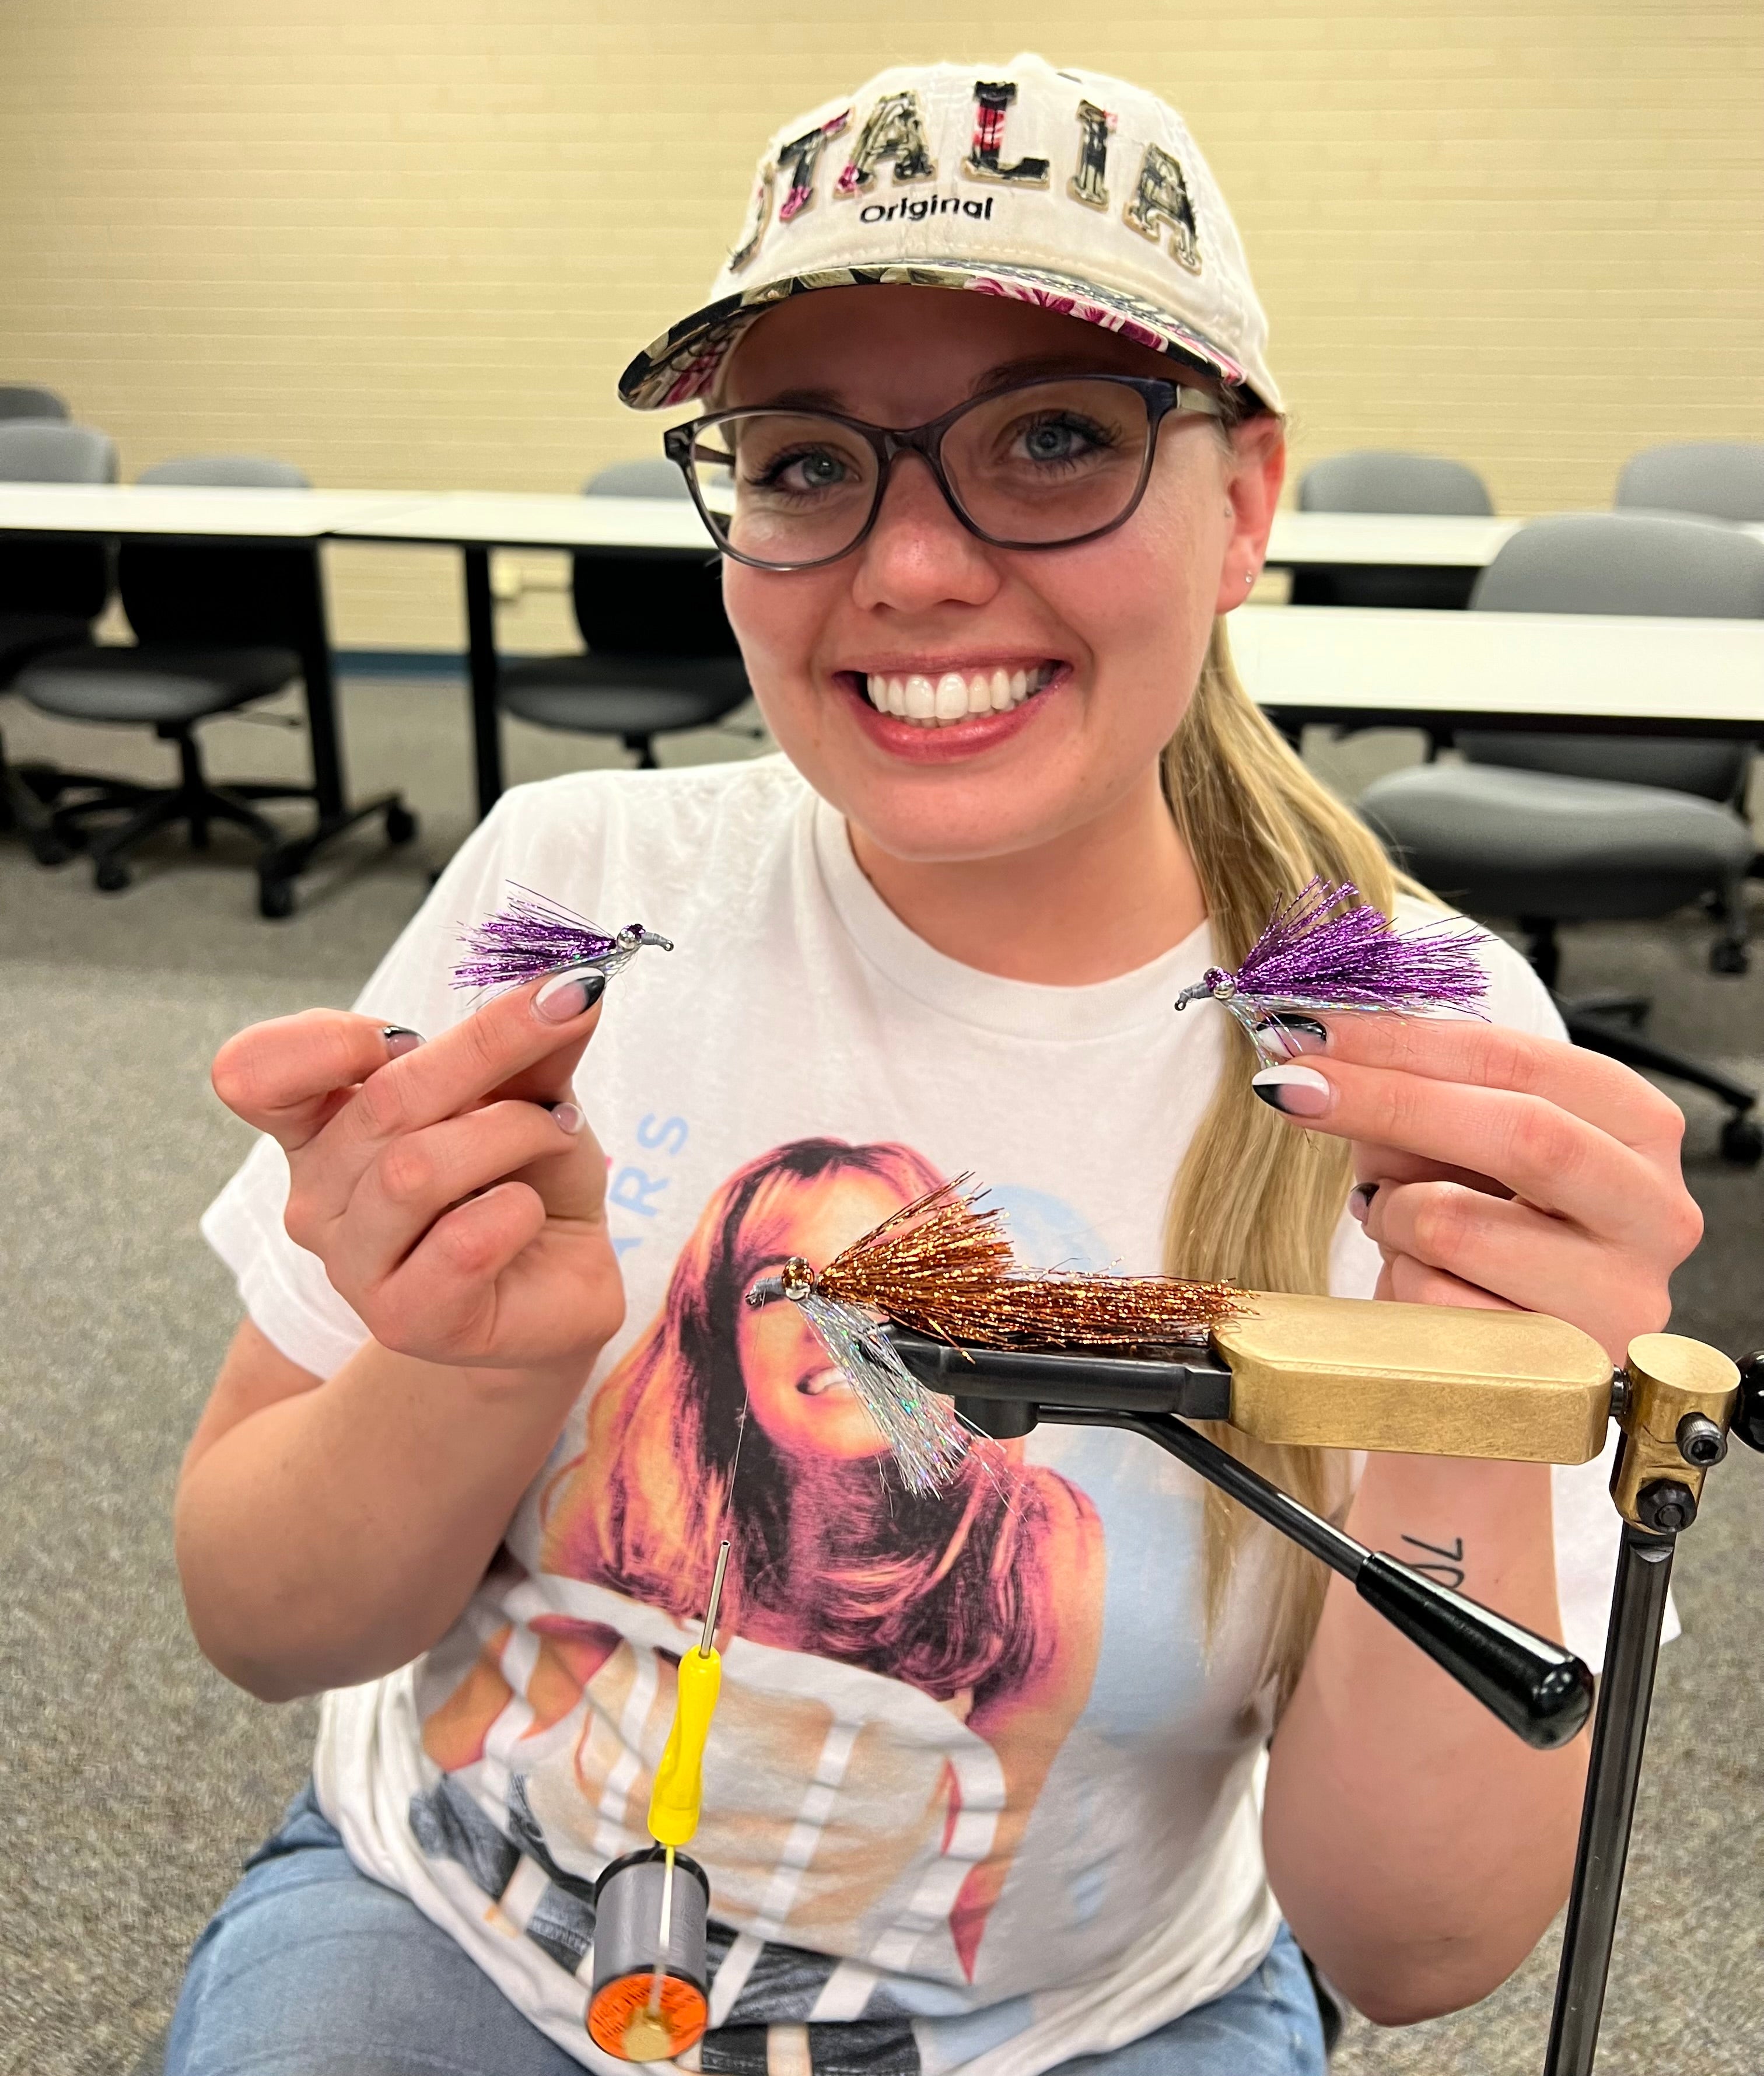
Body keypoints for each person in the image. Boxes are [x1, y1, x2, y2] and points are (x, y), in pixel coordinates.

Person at [167, 53, 1700, 2076]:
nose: (906, 570)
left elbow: (1415, 1948)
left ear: (1241, 502)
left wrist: (1454, 1422)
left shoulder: (1430, 1070)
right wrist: (476, 1360)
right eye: (807, 464)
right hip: (455, 1920)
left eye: (1052, 438)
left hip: (1078, 2013)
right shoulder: (572, 901)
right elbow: (268, 1621)